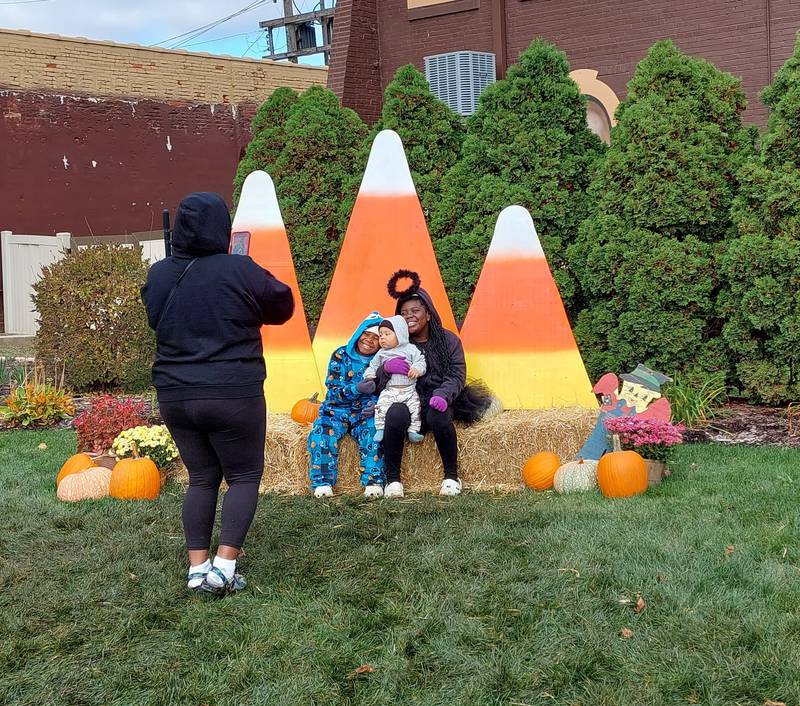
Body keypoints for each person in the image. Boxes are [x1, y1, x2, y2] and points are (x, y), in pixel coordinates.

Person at [141, 192, 293, 597]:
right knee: (243, 475)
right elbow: (283, 307)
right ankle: (224, 569)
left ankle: (197, 569)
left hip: (174, 393)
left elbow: (157, 317)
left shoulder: (158, 275)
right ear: (220, 228)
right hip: (233, 391)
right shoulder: (240, 269)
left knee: (202, 478)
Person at [379, 270, 492, 498]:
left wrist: (442, 395)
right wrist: (386, 369)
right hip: (408, 399)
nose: (409, 316)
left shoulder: (449, 340)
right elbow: (379, 380)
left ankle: (451, 476)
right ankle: (393, 481)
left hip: (438, 400)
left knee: (437, 415)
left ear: (428, 314)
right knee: (394, 414)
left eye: (415, 311)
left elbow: (457, 374)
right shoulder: (394, 345)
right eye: (403, 313)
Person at [308, 312, 386, 498]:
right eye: (366, 334)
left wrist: (375, 405)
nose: (369, 340)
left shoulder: (382, 362)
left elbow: (386, 391)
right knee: (321, 433)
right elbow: (333, 391)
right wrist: (356, 389)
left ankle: (373, 481)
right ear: (358, 334)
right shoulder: (340, 355)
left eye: (376, 338)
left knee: (376, 433)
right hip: (335, 411)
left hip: (363, 414)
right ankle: (323, 482)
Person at [357, 315, 426, 444]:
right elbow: (373, 366)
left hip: (409, 390)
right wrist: (369, 376)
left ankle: (413, 431)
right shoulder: (381, 353)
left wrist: (417, 369)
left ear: (400, 334)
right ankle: (380, 429)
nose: (382, 337)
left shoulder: (411, 349)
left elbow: (421, 361)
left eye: (386, 334)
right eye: (381, 334)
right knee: (381, 407)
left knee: (416, 408)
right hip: (390, 390)